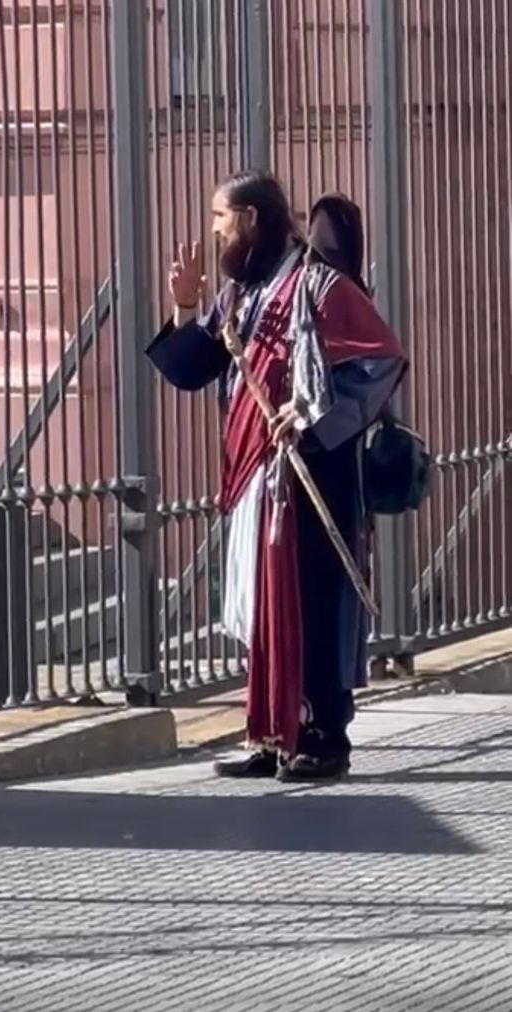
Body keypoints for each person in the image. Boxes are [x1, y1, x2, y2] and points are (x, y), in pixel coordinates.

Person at [147, 170, 407, 780]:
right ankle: (271, 732)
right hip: (257, 476)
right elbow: (196, 368)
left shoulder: (319, 285)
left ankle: (321, 736)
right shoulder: (239, 295)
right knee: (263, 604)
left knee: (314, 605)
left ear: (252, 221)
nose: (214, 233)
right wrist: (186, 309)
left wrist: (310, 413)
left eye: (221, 219)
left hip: (313, 474)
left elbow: (379, 361)